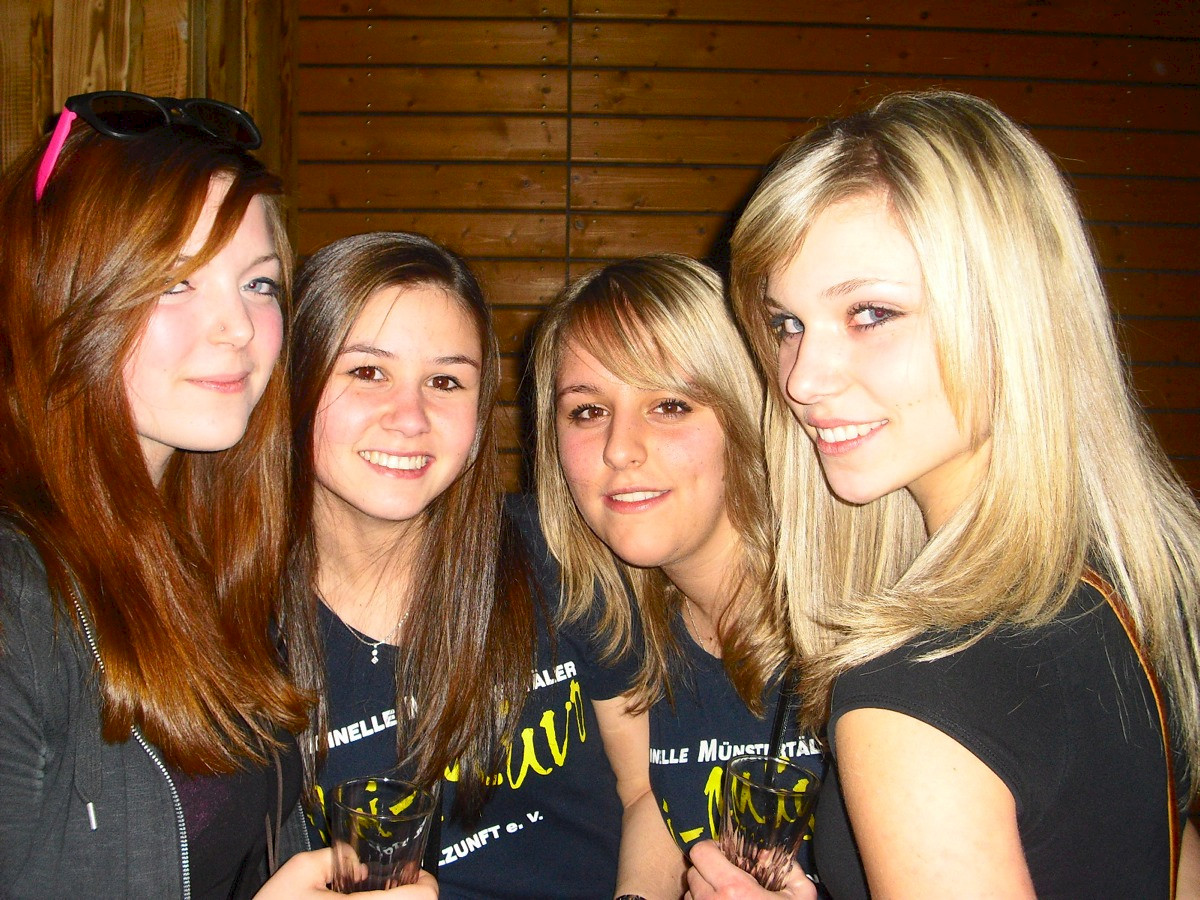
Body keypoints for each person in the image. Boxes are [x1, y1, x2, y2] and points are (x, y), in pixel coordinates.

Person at [688, 89, 1200, 898]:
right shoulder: (1119, 587)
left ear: (1011, 316)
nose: (802, 379)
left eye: (870, 313)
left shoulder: (915, 689)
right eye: (786, 324)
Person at [0, 91, 407, 897]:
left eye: (258, 284)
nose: (238, 328)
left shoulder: (211, 559)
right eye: (176, 282)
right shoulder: (16, 600)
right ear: (62, 294)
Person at [282, 231, 650, 899]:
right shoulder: (239, 626)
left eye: (445, 381)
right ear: (295, 380)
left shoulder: (553, 550)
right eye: (367, 372)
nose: (410, 417)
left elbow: (646, 789)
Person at [531, 254, 825, 897]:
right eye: (587, 411)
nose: (619, 448)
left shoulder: (846, 627)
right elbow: (655, 804)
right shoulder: (622, 620)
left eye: (668, 404)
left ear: (746, 415)